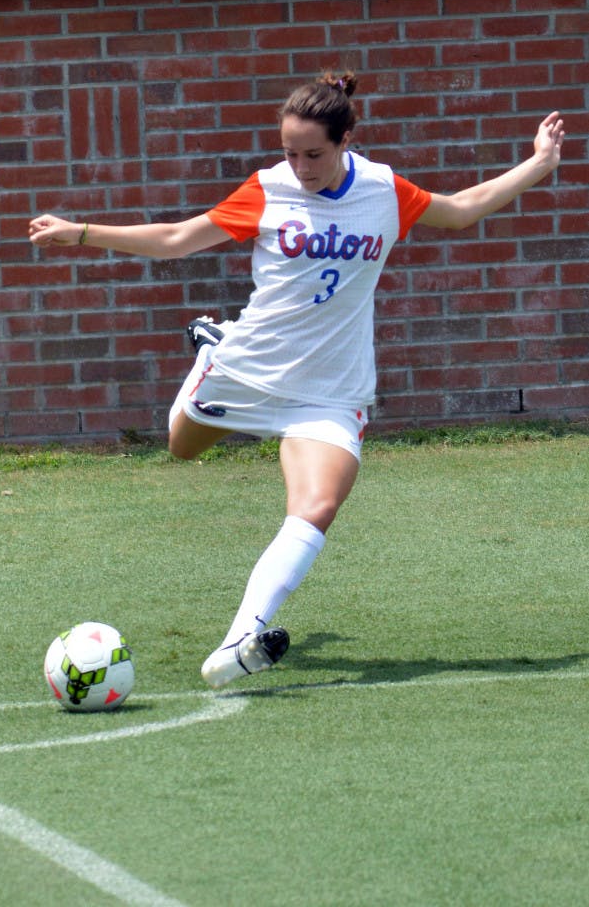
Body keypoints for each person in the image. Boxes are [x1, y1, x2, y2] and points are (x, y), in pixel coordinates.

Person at [29, 72, 565, 688]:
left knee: (316, 506)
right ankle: (212, 349)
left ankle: (239, 638)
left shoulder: (383, 190)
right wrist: (83, 232)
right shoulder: (268, 190)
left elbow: (463, 211)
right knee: (182, 446)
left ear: (346, 141)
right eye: (290, 151)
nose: (301, 165)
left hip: (331, 390)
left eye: (313, 153)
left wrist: (539, 163)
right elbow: (179, 239)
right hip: (249, 370)